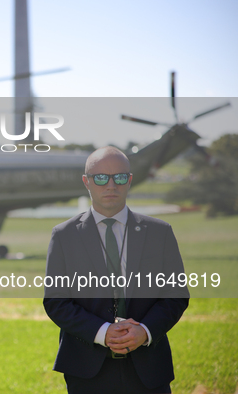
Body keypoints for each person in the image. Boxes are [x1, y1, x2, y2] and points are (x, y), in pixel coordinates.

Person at [43, 146, 189, 394]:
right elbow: (56, 302)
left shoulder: (160, 232)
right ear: (86, 182)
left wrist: (144, 331)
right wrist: (103, 333)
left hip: (149, 369)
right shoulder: (64, 235)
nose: (111, 185)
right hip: (86, 371)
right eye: (101, 178)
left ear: (129, 180)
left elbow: (176, 295)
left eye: (119, 177)